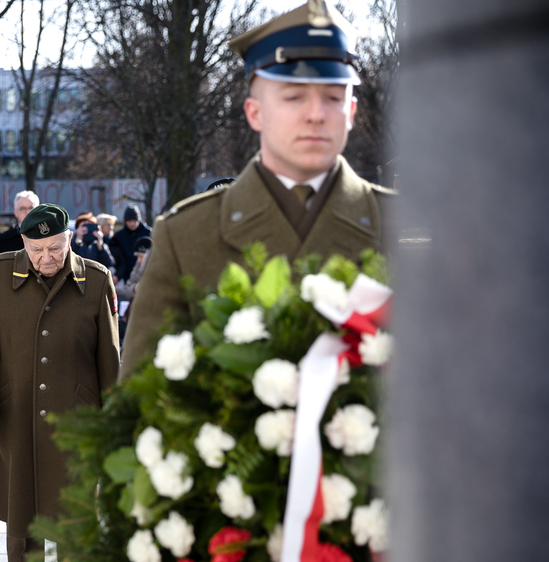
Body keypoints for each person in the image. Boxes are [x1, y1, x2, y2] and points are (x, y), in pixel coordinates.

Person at [121, 0, 393, 379]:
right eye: (294, 96)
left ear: (350, 112)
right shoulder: (185, 237)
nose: (316, 114)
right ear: (254, 113)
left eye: (333, 97)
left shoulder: (406, 226)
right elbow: (138, 399)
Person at [0, 204, 120, 562]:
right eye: (37, 249)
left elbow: (110, 361)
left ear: (70, 240)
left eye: (55, 248)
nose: (47, 257)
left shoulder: (96, 279)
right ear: (23, 243)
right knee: (22, 512)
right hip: (15, 417)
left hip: (78, 421)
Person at [109, 205, 151, 283]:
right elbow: (118, 259)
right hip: (125, 277)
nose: (132, 224)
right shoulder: (118, 237)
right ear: (125, 221)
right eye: (129, 221)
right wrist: (118, 275)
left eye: (134, 221)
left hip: (147, 275)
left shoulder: (149, 233)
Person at [0, 190, 37, 256]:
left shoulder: (47, 236)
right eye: (22, 209)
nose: (28, 212)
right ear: (15, 213)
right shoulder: (5, 240)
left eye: (31, 208)